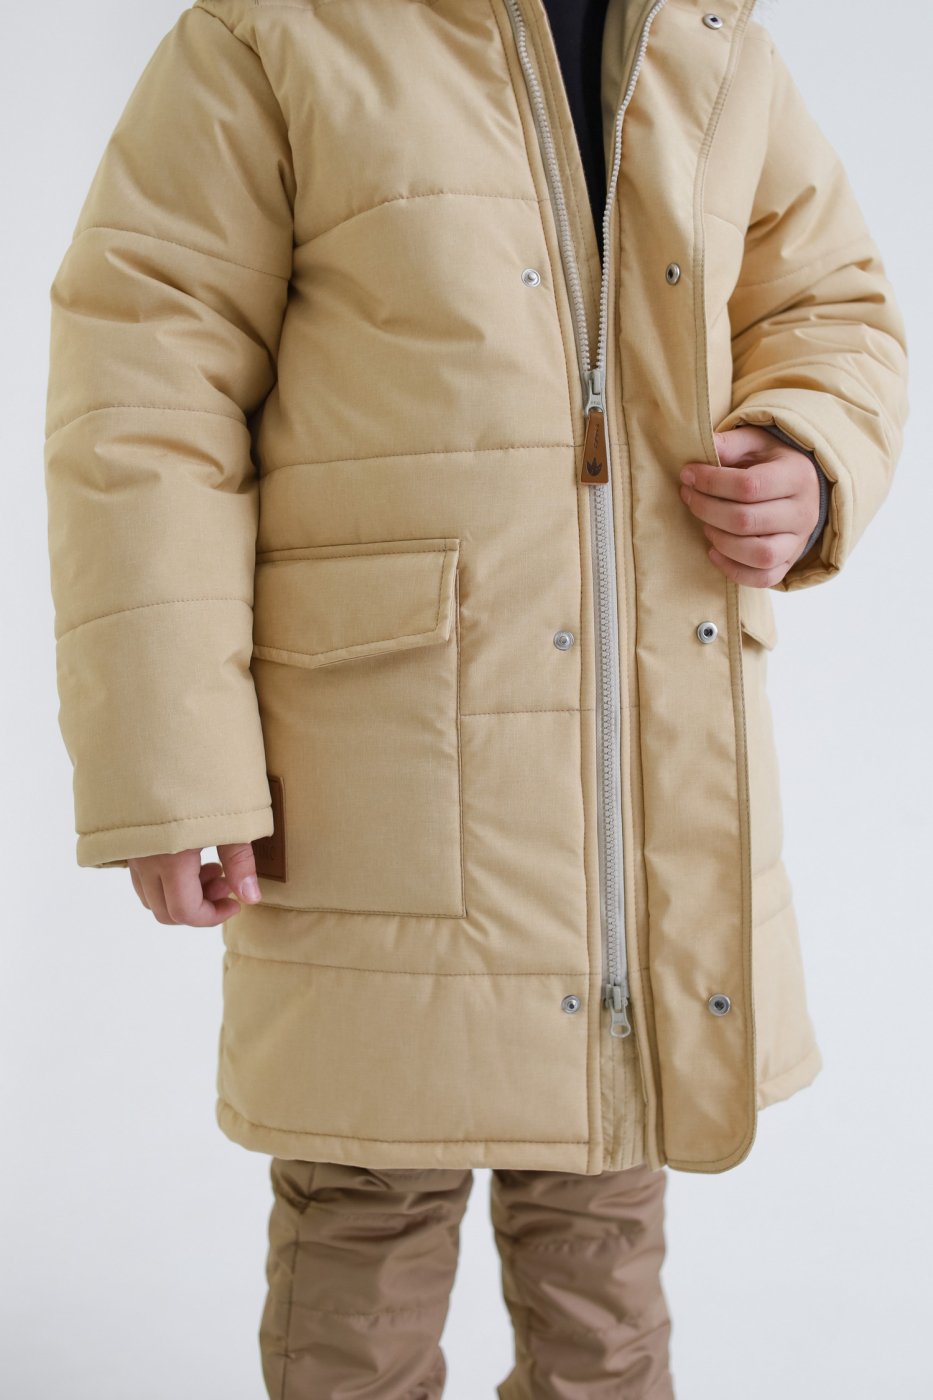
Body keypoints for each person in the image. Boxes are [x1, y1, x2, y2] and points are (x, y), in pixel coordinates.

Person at [42, 0, 908, 1395]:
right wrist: (170, 758)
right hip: (378, 773)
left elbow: (830, 302)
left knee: (605, 1243)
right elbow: (142, 393)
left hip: (642, 791)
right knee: (363, 1225)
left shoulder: (706, 32)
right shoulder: (275, 34)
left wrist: (809, 448)